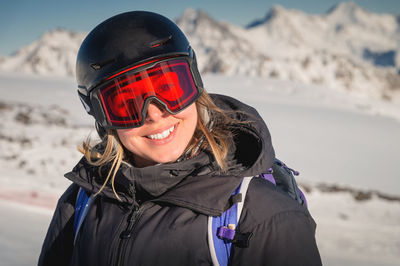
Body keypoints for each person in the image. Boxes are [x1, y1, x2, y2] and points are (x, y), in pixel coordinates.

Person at [38, 11, 322, 266]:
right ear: (101, 116)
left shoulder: (263, 216)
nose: (155, 114)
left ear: (195, 85)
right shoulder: (83, 202)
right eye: (126, 103)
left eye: (170, 88)